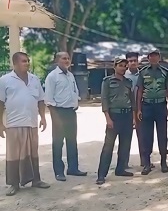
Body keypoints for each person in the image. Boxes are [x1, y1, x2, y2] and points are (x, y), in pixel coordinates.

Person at [0, 52, 50, 196]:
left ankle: (36, 180)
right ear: (14, 63)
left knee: (33, 153)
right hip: (14, 124)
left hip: (32, 123)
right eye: (23, 61)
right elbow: (0, 103)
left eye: (28, 61)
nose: (27, 63)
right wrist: (0, 125)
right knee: (14, 155)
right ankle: (14, 184)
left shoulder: (35, 79)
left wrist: (43, 118)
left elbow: (41, 100)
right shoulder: (5, 80)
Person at [44, 52, 86, 181]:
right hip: (58, 112)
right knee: (58, 143)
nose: (67, 60)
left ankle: (73, 168)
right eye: (64, 58)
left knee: (72, 141)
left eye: (68, 58)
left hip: (70, 112)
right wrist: (55, 117)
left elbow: (74, 91)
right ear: (57, 60)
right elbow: (49, 99)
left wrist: (75, 103)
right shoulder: (52, 77)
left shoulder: (70, 75)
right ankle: (59, 172)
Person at [96, 57, 135, 185]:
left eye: (125, 66)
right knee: (108, 147)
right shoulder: (107, 81)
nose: (123, 68)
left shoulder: (128, 82)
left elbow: (132, 100)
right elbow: (104, 100)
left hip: (127, 116)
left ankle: (120, 169)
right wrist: (108, 118)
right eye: (121, 65)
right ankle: (101, 175)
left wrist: (134, 117)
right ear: (115, 67)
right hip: (114, 116)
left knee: (125, 145)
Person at [136, 49, 168, 175]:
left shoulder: (165, 72)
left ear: (159, 57)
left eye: (156, 55)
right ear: (148, 57)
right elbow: (140, 91)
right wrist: (139, 109)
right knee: (147, 136)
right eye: (151, 56)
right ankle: (147, 164)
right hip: (147, 106)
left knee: (162, 135)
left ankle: (163, 162)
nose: (153, 58)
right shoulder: (142, 72)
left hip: (160, 106)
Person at [124, 51, 147, 168]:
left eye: (135, 60)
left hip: (140, 108)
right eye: (130, 61)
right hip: (127, 109)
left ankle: (144, 161)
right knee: (126, 136)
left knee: (142, 135)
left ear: (138, 62)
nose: (133, 63)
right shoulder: (123, 76)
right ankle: (124, 162)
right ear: (127, 62)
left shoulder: (142, 75)